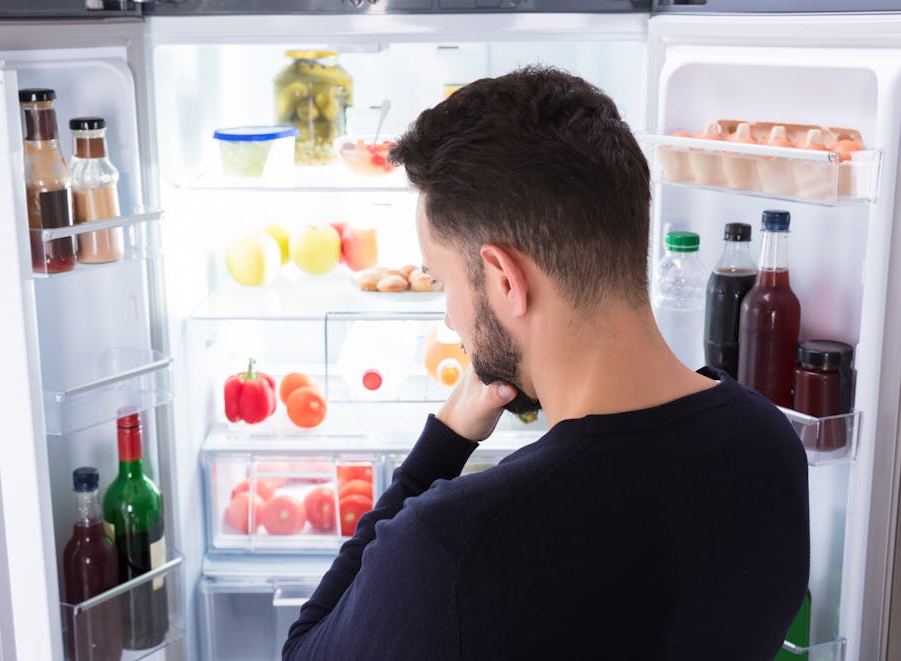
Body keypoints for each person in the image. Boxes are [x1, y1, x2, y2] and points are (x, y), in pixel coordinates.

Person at [282, 66, 809, 661]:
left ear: (506, 280)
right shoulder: (770, 445)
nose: (450, 320)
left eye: (441, 280)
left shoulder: (453, 547)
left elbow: (304, 650)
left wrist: (438, 451)